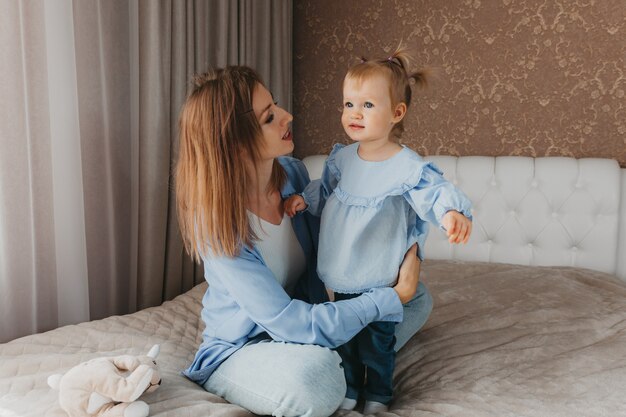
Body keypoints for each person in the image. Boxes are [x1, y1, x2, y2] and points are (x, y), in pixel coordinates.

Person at [175, 65, 433, 417]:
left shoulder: (292, 175)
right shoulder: (216, 225)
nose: (287, 116)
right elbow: (288, 322)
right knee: (318, 377)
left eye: (276, 105)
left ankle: (347, 355)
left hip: (301, 324)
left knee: (416, 300)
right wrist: (386, 298)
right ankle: (345, 359)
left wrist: (405, 246)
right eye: (269, 117)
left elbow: (347, 228)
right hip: (245, 347)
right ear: (234, 144)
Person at [284, 45, 473, 413]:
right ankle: (351, 389)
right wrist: (305, 200)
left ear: (396, 113)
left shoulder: (406, 166)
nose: (354, 114)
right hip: (337, 272)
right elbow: (326, 189)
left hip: (379, 277)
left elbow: (432, 192)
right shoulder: (341, 158)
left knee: (377, 343)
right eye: (348, 104)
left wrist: (451, 213)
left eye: (368, 106)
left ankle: (380, 396)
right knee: (344, 340)